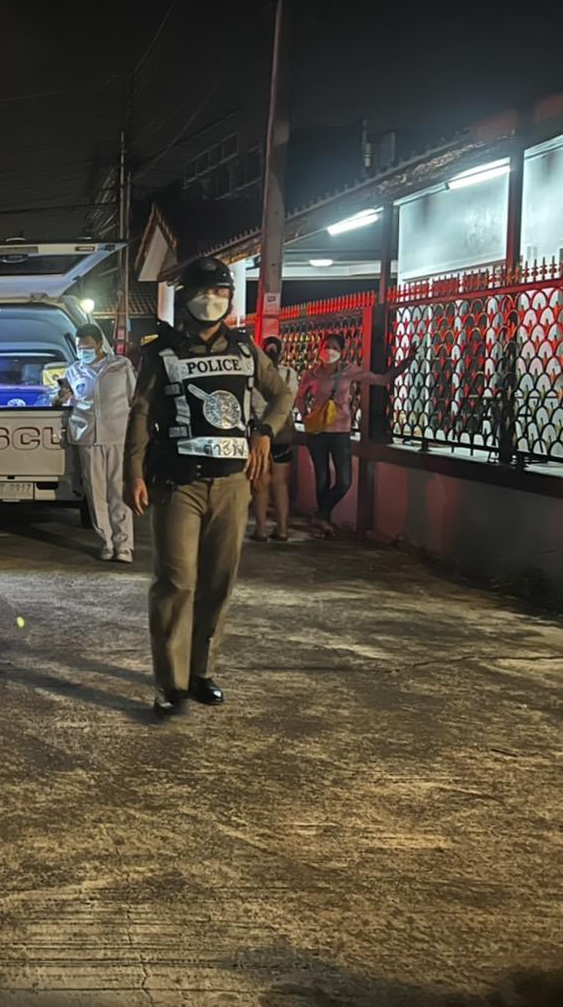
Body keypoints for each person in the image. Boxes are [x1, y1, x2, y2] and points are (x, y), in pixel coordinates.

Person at [125, 257, 295, 718]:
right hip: (178, 483)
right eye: (205, 292)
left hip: (232, 485)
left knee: (219, 583)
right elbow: (141, 412)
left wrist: (265, 431)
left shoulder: (245, 350)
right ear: (186, 299)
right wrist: (133, 472)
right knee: (176, 582)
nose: (212, 301)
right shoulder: (161, 352)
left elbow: (281, 394)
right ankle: (170, 683)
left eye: (221, 293)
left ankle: (202, 672)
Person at [296, 332, 411, 538]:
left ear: (342, 352)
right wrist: (305, 415)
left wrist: (407, 360)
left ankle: (321, 515)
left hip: (340, 432)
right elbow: (300, 397)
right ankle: (324, 522)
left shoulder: (349, 371)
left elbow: (382, 379)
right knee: (322, 477)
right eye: (327, 345)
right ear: (320, 347)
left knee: (344, 481)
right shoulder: (311, 374)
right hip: (317, 433)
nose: (329, 350)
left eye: (335, 348)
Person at [62, 323, 137, 562]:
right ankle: (106, 541)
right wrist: (61, 396)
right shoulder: (73, 371)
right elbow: (65, 398)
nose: (82, 351)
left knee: (118, 491)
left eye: (86, 347)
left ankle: (124, 545)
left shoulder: (120, 365)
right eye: (79, 348)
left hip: (117, 435)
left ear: (98, 344)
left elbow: (135, 398)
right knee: (95, 494)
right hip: (87, 437)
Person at [250, 336, 300, 542]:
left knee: (260, 482)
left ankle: (260, 530)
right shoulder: (289, 374)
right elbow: (289, 401)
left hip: (258, 433)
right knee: (280, 483)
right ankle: (282, 529)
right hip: (281, 433)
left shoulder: (253, 375)